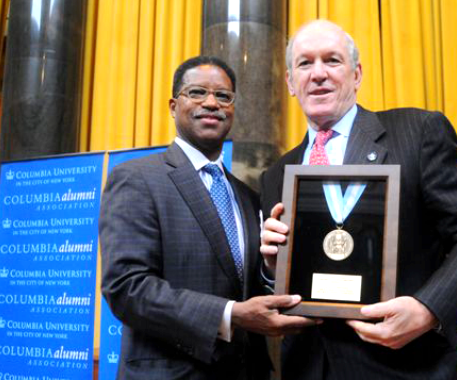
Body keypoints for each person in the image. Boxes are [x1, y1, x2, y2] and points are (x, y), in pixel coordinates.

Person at [260, 20, 457, 380]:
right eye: (304, 63)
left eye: (332, 61)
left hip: (405, 367)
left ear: (357, 74)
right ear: (290, 83)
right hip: (308, 367)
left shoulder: (417, 132)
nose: (318, 74)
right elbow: (280, 282)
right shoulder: (277, 174)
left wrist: (428, 308)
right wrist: (273, 268)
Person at [99, 56, 316, 380]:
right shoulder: (137, 178)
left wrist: (271, 272)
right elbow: (126, 287)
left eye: (224, 96)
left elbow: (248, 283)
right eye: (197, 92)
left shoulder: (246, 194)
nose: (211, 103)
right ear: (174, 106)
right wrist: (230, 315)